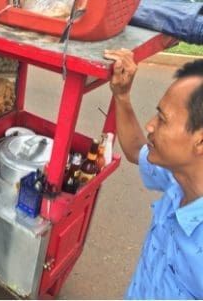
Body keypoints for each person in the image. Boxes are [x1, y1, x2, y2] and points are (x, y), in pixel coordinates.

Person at [103, 48, 203, 299]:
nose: (150, 124)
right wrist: (122, 96)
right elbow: (137, 149)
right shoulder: (176, 176)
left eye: (162, 119)